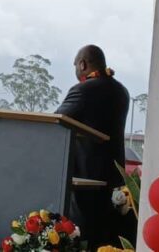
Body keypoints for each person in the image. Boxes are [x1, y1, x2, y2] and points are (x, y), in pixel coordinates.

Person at [55, 45, 130, 248]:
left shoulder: (84, 89)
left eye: (75, 65)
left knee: (82, 235)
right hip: (112, 176)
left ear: (82, 64)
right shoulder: (121, 91)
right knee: (105, 236)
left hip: (86, 176)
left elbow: (56, 120)